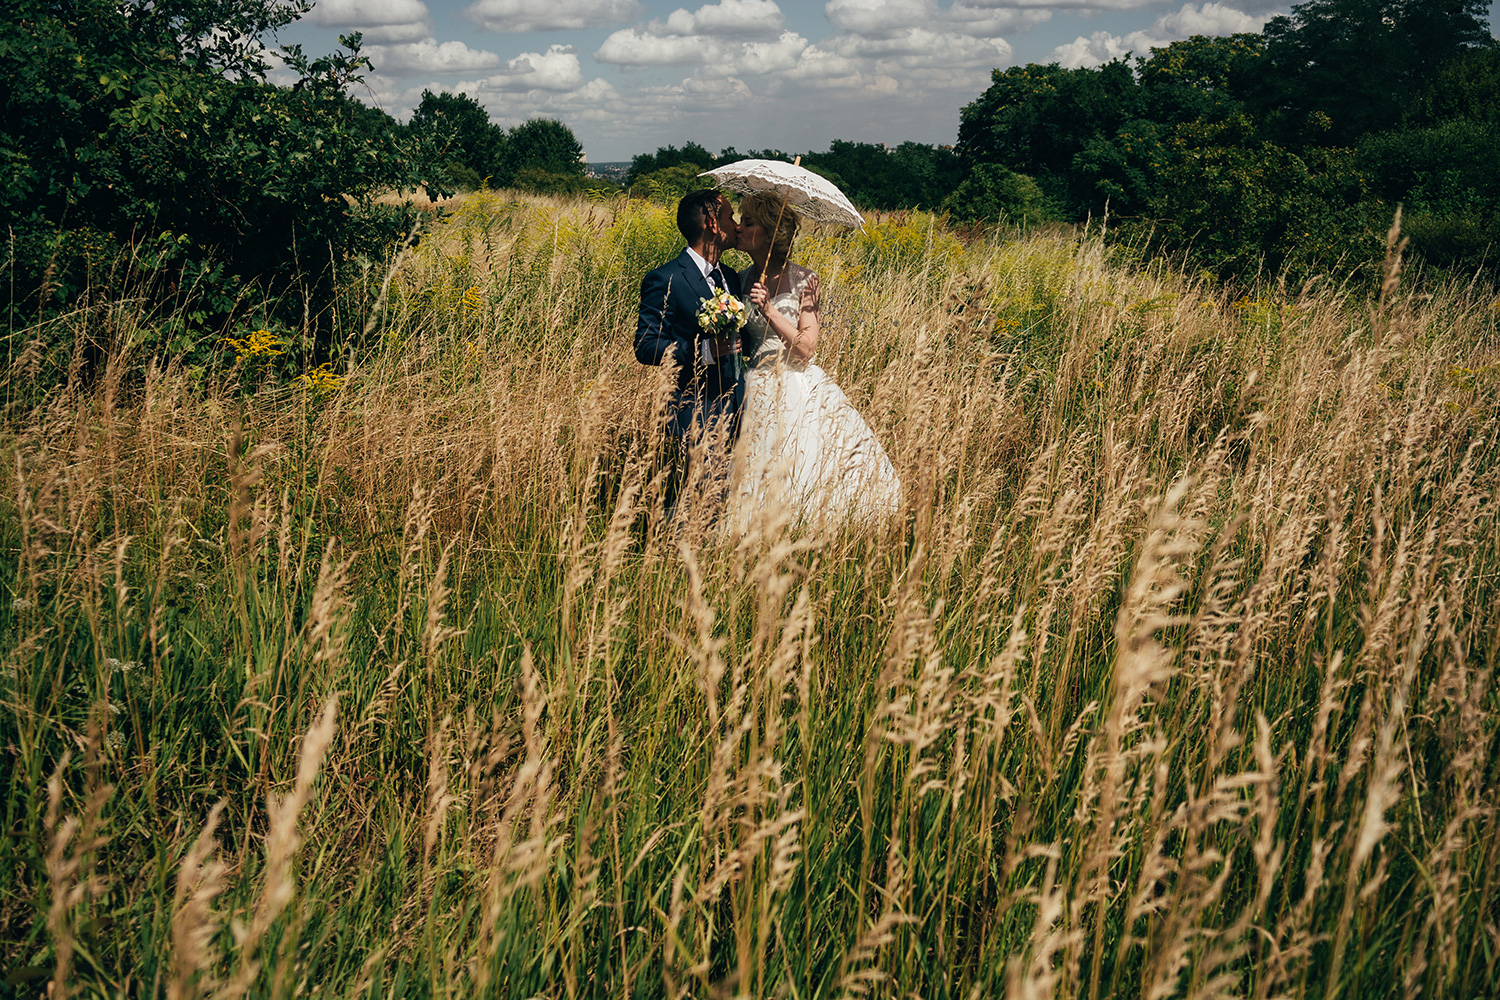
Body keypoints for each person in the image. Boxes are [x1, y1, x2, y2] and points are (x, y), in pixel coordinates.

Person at [727, 192, 901, 532]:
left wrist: (768, 310)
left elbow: (806, 348)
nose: (739, 228)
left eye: (747, 222)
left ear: (769, 232)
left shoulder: (807, 280)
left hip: (794, 381)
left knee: (803, 458)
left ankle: (803, 525)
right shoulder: (740, 279)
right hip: (754, 383)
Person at [635, 189, 744, 520]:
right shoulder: (666, 278)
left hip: (737, 401)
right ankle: (673, 551)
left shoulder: (732, 278)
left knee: (729, 494)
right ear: (712, 223)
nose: (735, 224)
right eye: (729, 217)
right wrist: (704, 349)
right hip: (695, 403)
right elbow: (646, 345)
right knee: (701, 494)